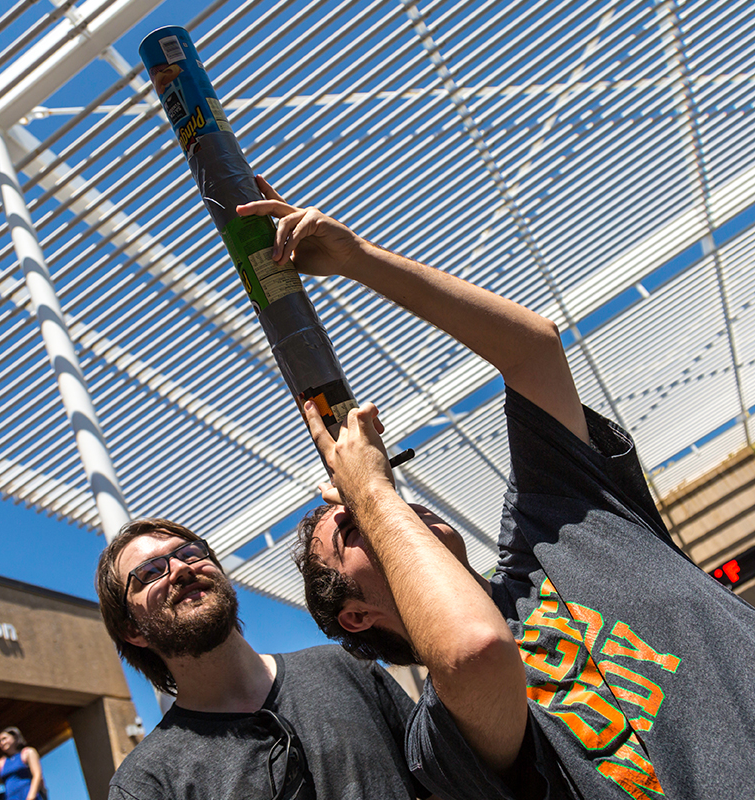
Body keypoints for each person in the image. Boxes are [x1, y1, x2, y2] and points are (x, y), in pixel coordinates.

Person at [237, 180, 755, 799]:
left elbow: (534, 350)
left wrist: (357, 260)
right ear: (356, 615)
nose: (387, 508)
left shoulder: (553, 529)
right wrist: (369, 491)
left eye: (373, 503)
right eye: (352, 530)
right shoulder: (437, 738)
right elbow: (474, 651)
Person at [96, 516, 433, 800]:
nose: (181, 568)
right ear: (132, 631)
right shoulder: (146, 783)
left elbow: (440, 785)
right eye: (150, 572)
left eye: (191, 552)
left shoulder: (345, 666)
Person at [0, 729, 43, 800]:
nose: (2, 743)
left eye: (4, 739)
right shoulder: (1, 762)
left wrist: (31, 797)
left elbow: (37, 775)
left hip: (28, 794)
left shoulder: (27, 752)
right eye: (0, 741)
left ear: (15, 737)